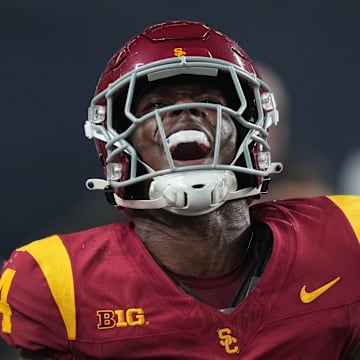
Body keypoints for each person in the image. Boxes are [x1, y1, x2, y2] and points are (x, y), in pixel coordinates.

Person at [0, 20, 359, 360]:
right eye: (156, 106)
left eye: (210, 102)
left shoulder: (347, 239)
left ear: (250, 132)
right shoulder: (57, 283)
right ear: (121, 145)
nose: (186, 115)